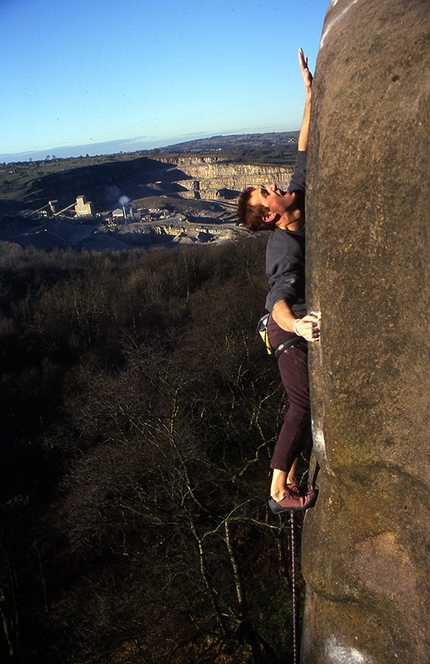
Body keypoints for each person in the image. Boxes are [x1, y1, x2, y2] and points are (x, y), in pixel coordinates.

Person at [237, 48, 319, 514]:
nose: (274, 183)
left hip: (291, 324)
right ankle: (275, 491)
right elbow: (278, 299)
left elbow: (303, 148)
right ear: (270, 215)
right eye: (267, 191)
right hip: (284, 332)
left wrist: (308, 94)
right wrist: (298, 326)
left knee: (306, 407)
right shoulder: (283, 246)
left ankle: (285, 478)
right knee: (302, 404)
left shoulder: (300, 196)